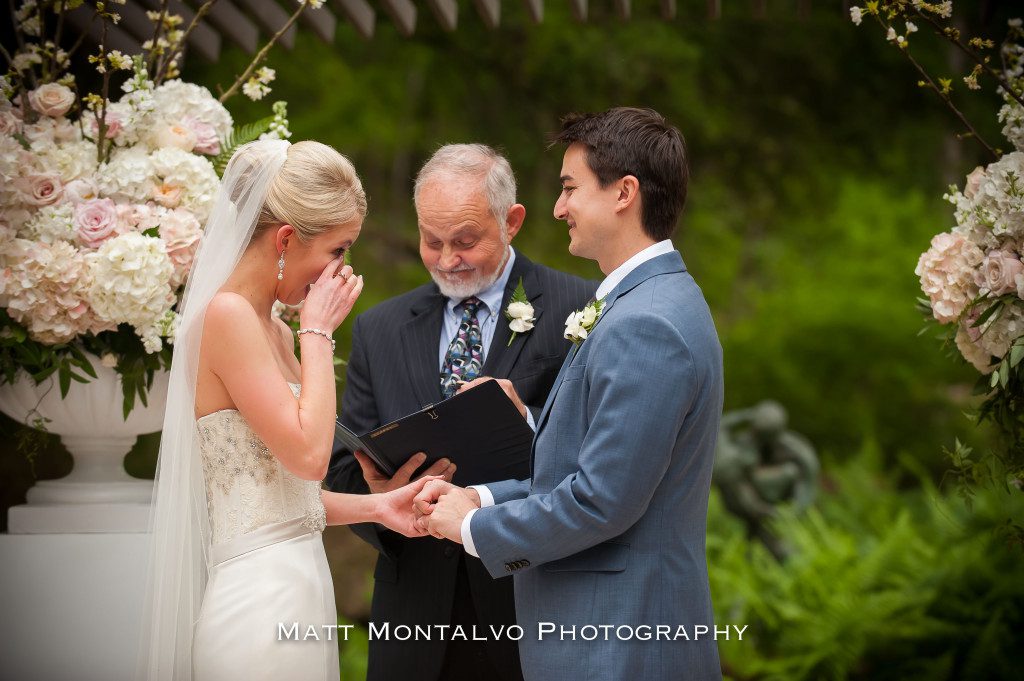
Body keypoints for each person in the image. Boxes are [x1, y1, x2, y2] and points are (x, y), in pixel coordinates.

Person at [416, 109, 725, 680]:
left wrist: (470, 528)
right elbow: (588, 469)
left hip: (619, 644)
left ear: (624, 193)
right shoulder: (647, 301)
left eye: (569, 188)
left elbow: (600, 501)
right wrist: (479, 498)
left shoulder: (646, 323)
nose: (558, 209)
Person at [137, 140, 434, 681]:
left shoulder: (273, 328)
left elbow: (283, 496)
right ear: (286, 239)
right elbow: (310, 457)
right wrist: (317, 333)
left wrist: (378, 507)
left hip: (300, 582)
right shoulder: (227, 316)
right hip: (257, 599)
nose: (339, 270)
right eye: (338, 250)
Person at [326, 144, 596, 681]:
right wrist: (382, 498)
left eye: (466, 241)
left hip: (529, 603)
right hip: (413, 615)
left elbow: (596, 458)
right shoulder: (380, 329)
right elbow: (340, 467)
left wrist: (529, 421)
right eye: (432, 241)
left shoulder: (581, 307)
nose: (447, 260)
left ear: (511, 221)